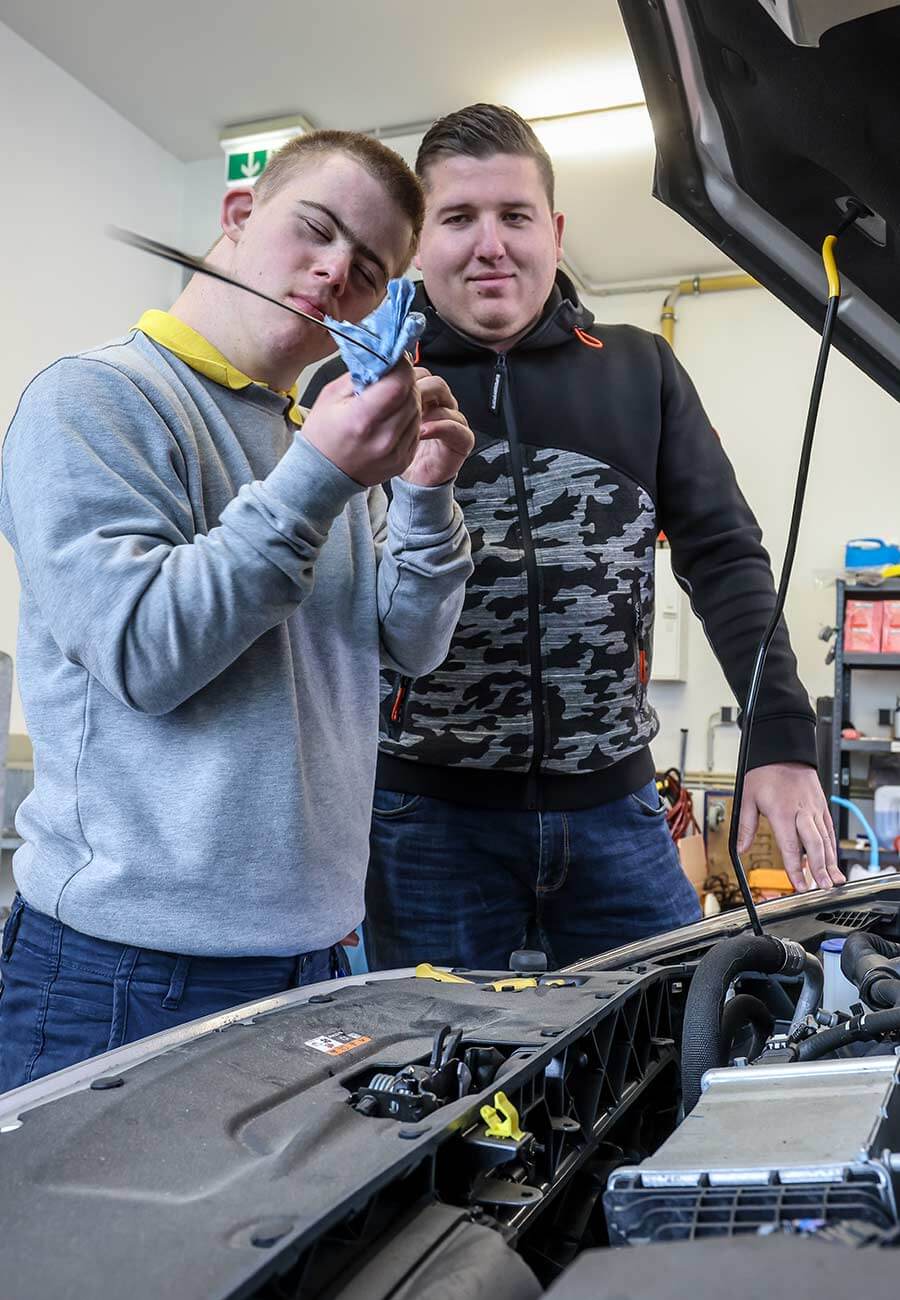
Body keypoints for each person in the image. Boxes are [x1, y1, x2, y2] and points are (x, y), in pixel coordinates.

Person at [303, 104, 843, 973]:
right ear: (416, 241)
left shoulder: (640, 368)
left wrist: (779, 736)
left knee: (665, 1050)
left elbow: (724, 556)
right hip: (422, 822)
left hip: (617, 815)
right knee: (443, 1088)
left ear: (552, 231)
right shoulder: (357, 383)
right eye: (458, 218)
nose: (491, 244)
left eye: (515, 216)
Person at [0, 129, 474, 1090]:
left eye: (371, 269)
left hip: (318, 960)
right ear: (238, 214)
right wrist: (321, 476)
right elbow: (144, 653)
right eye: (318, 229)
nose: (337, 271)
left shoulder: (320, 441)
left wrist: (424, 491)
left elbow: (408, 647)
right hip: (124, 974)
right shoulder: (94, 400)